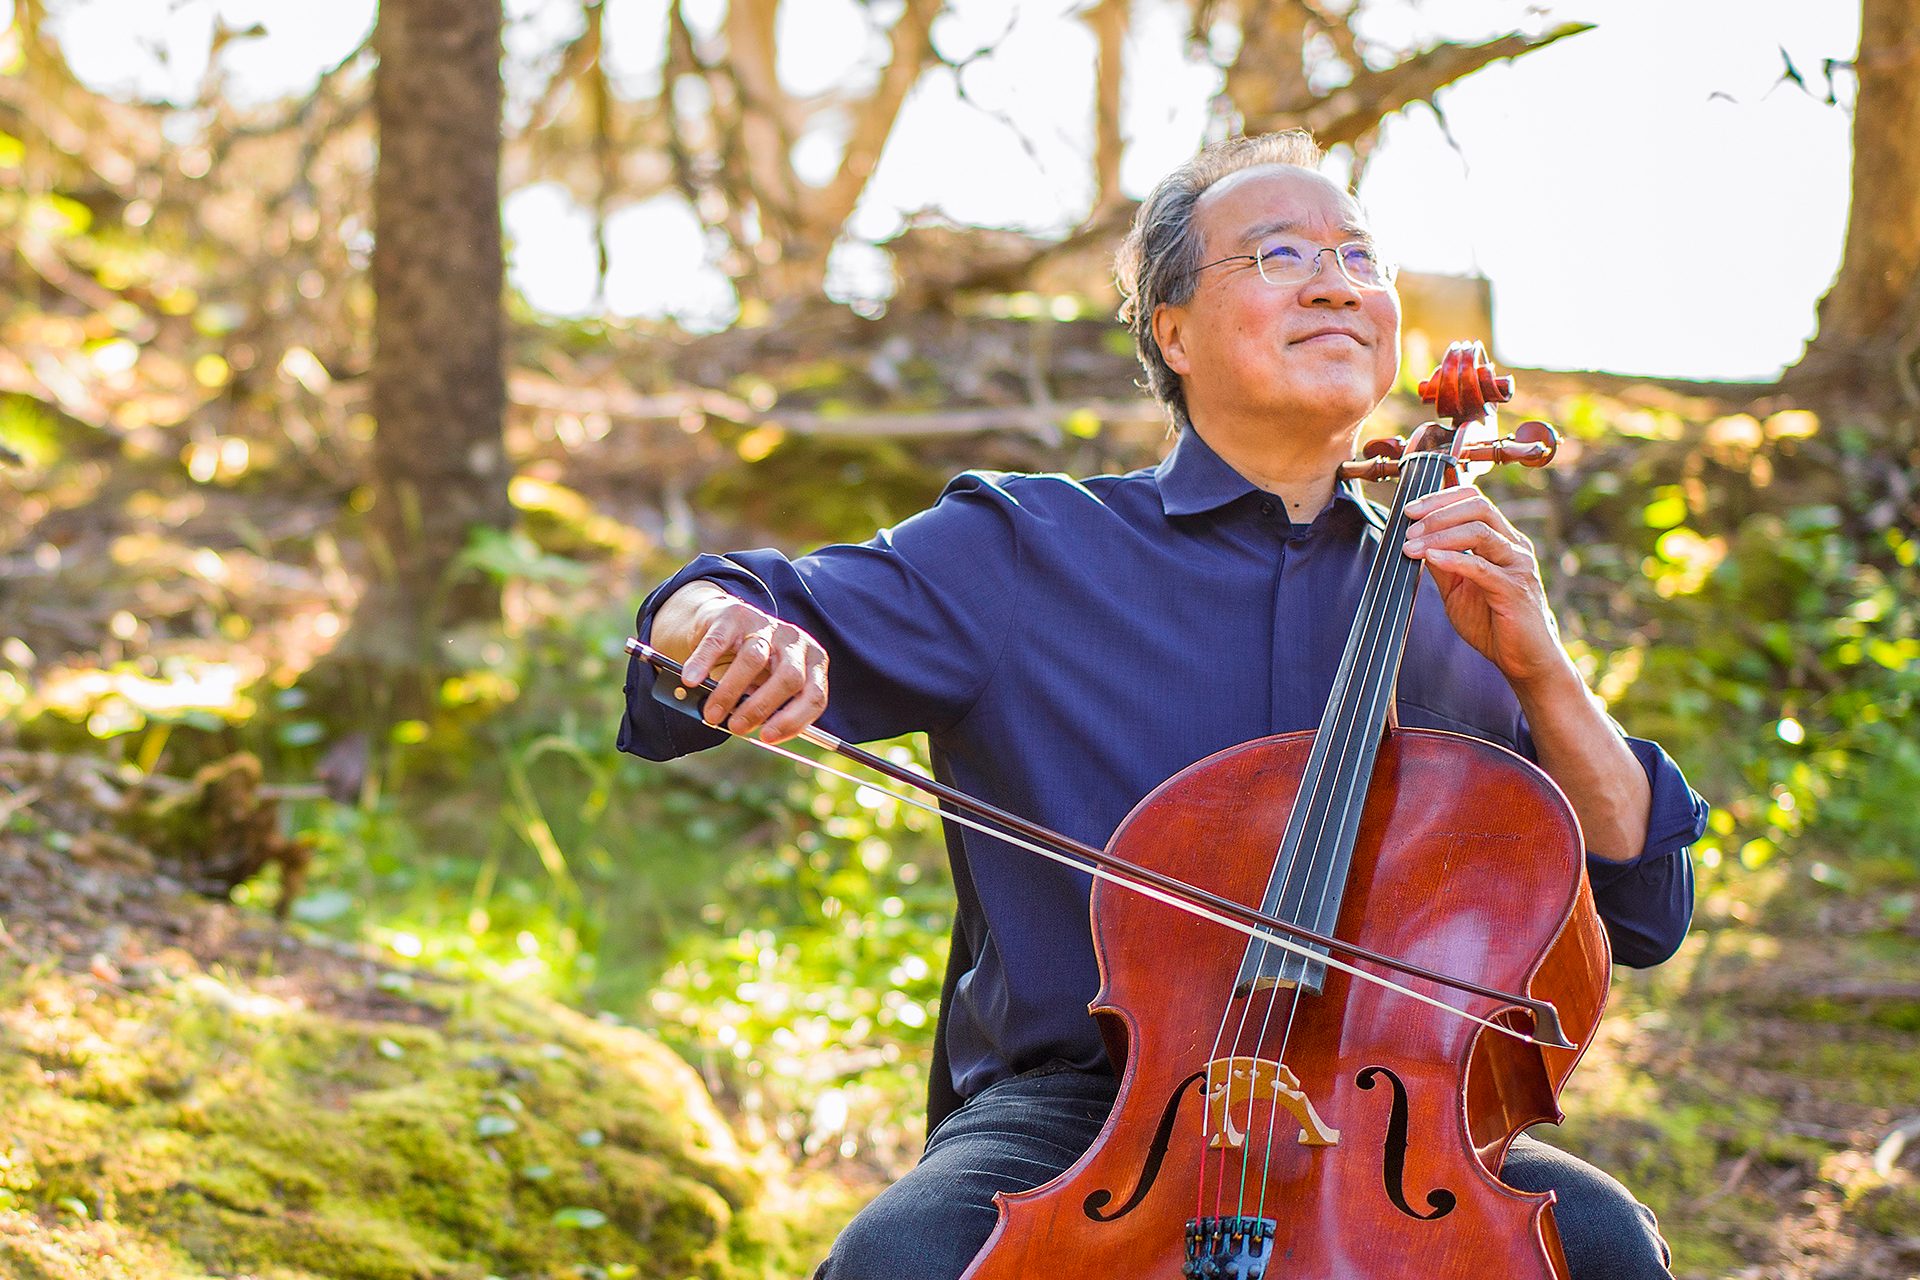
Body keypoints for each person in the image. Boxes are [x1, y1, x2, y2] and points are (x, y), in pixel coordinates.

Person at [618, 130, 1709, 1280]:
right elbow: (721, 607)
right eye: (1280, 254)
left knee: (1600, 1247)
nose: (1337, 279)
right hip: (1087, 1114)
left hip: (1402, 1119)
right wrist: (723, 625)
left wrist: (1541, 666)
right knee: (903, 1257)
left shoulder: (1462, 592)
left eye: (1360, 256)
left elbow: (1641, 906)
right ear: (1173, 330)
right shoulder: (1029, 546)